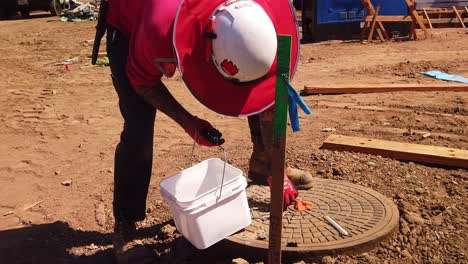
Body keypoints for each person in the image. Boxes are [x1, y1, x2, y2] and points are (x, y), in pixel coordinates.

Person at [102, 0, 313, 261]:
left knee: (255, 87)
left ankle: (263, 165)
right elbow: (142, 83)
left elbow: (269, 95)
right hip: (129, 23)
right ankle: (126, 224)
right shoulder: (158, 27)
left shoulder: (268, 13)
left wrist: (276, 165)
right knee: (138, 125)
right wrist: (189, 122)